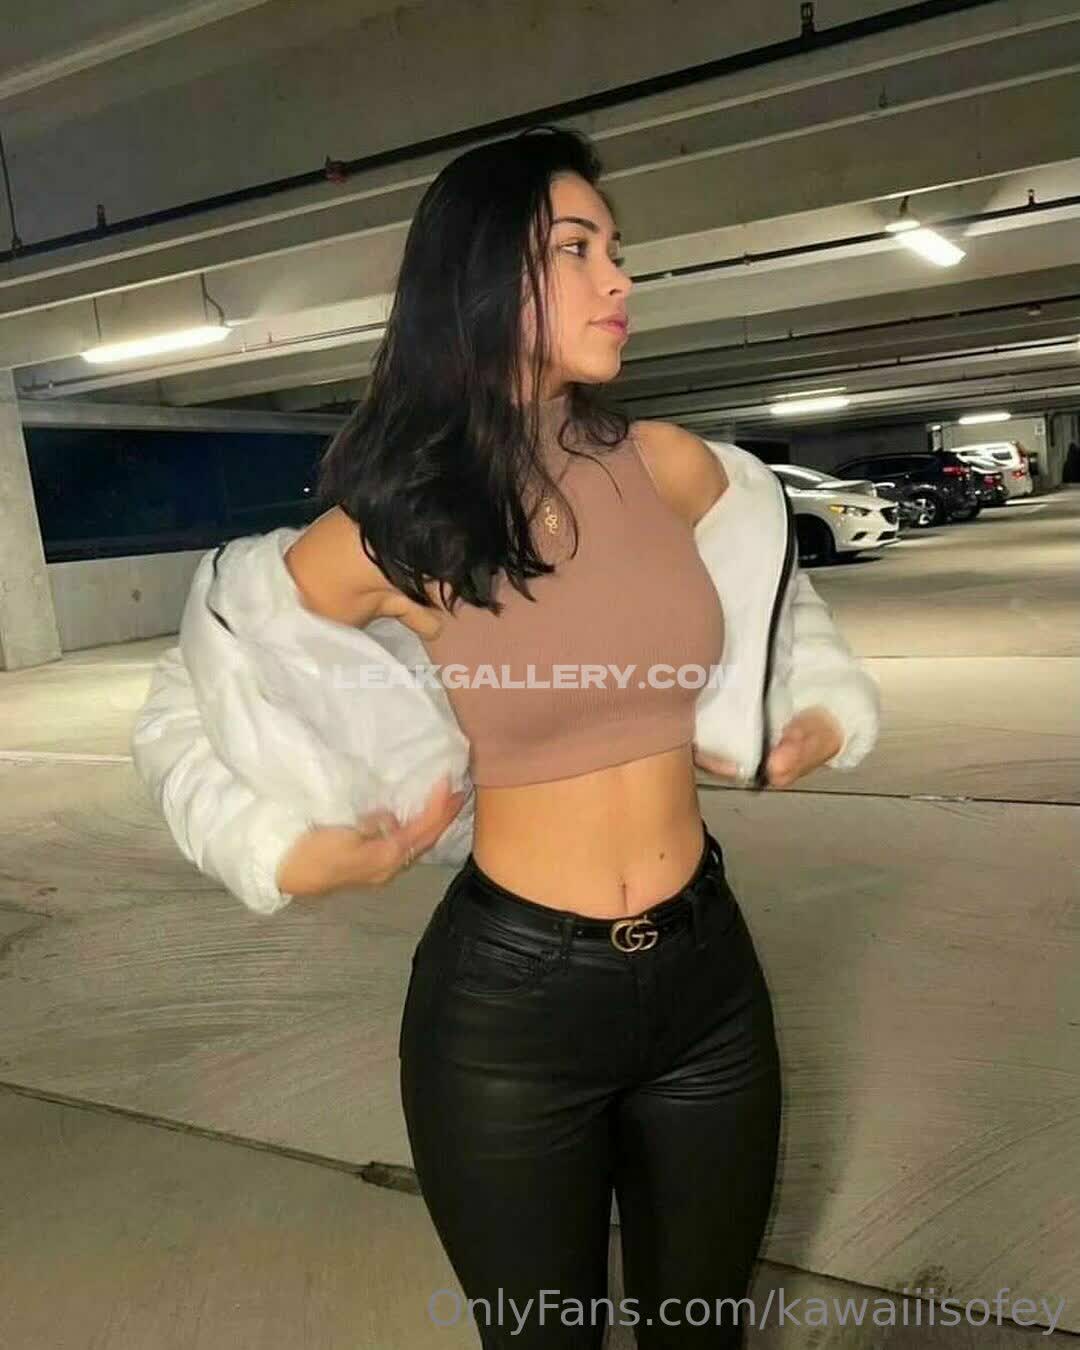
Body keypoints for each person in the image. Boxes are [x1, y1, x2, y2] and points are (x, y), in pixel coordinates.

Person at [132, 125, 880, 1347]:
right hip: (509, 1014)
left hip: (709, 982)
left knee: (704, 1333)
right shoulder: (407, 523)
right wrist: (285, 850)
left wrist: (813, 712)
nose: (618, 278)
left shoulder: (674, 469)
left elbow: (778, 600)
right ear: (480, 278)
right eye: (576, 249)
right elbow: (191, 689)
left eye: (616, 249)